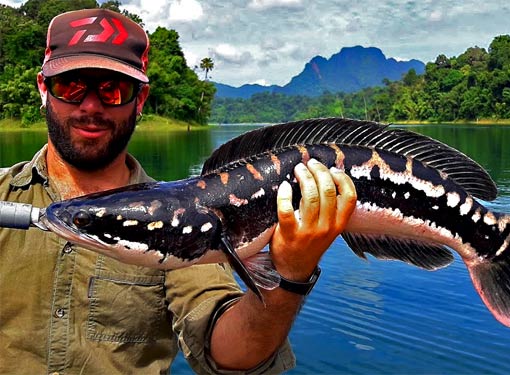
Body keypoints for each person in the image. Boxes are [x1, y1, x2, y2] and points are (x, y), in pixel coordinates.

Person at [0, 8, 357, 374]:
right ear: (44, 89)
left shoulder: (187, 220)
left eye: (113, 89)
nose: (90, 106)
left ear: (140, 100)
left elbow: (230, 355)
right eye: (71, 86)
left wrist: (291, 275)